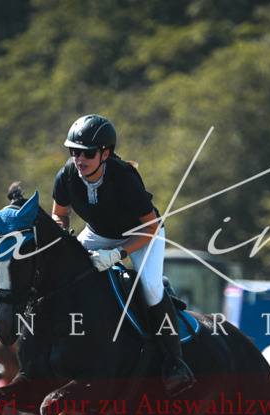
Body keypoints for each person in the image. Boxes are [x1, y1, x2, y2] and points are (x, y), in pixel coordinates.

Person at [51, 114, 195, 396]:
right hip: (97, 232)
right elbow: (60, 214)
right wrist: (63, 237)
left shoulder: (125, 179)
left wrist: (117, 254)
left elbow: (151, 226)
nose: (80, 159)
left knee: (151, 288)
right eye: (74, 151)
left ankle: (175, 363)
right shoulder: (67, 175)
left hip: (142, 234)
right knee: (65, 277)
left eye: (88, 153)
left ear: (105, 154)